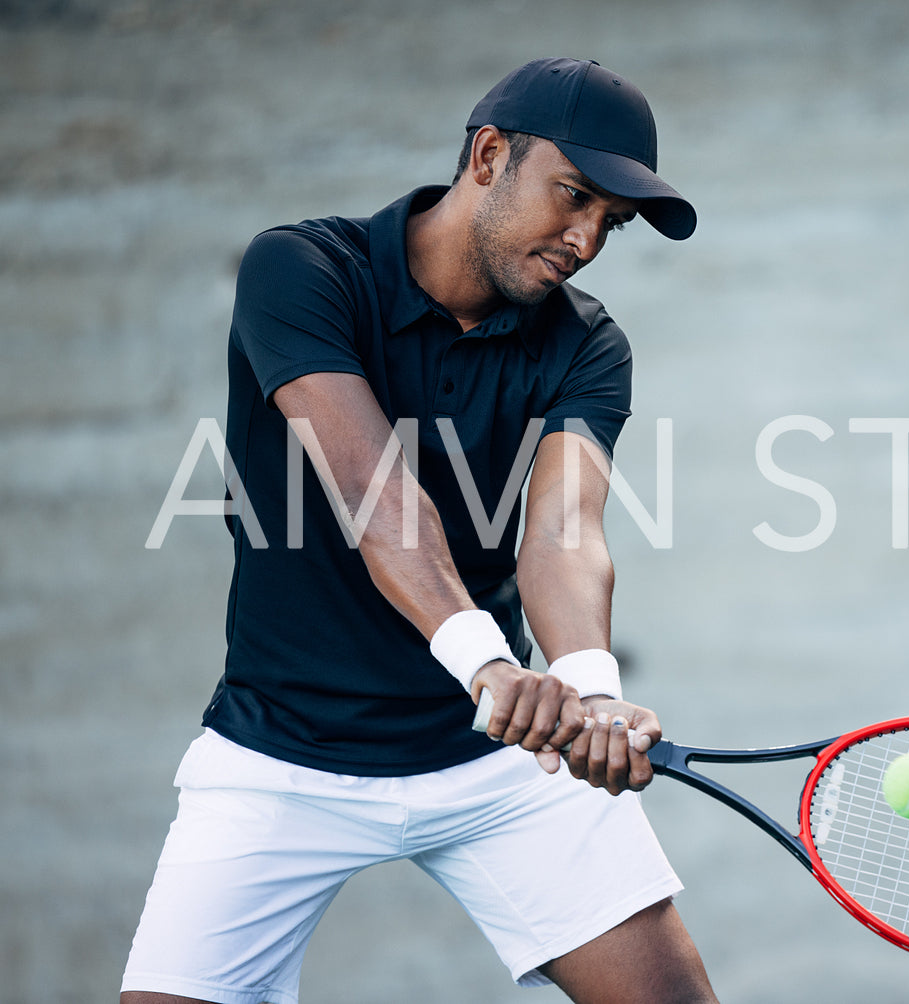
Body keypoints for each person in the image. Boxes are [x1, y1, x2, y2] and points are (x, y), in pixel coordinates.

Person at [121, 57, 717, 1004]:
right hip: (279, 754)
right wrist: (488, 664)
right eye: (573, 197)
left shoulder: (588, 346)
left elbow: (564, 531)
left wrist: (588, 689)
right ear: (488, 155)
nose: (587, 238)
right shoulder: (305, 270)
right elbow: (377, 496)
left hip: (499, 756)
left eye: (612, 221)